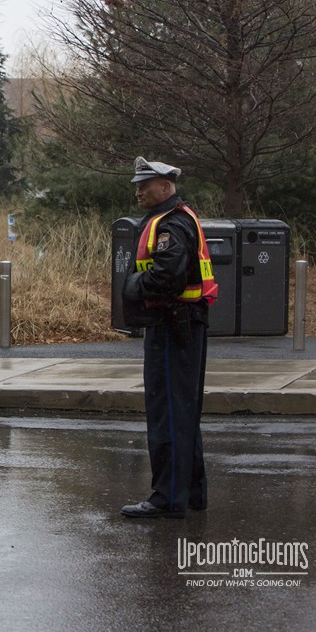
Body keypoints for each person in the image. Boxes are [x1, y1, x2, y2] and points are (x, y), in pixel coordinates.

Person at [120, 157, 218, 519]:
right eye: (137, 185)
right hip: (184, 325)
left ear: (166, 186)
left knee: (168, 414)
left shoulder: (170, 225)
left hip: (172, 326)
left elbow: (166, 277)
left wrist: (132, 285)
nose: (138, 192)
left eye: (144, 185)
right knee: (183, 412)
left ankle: (167, 498)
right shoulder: (179, 218)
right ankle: (191, 493)